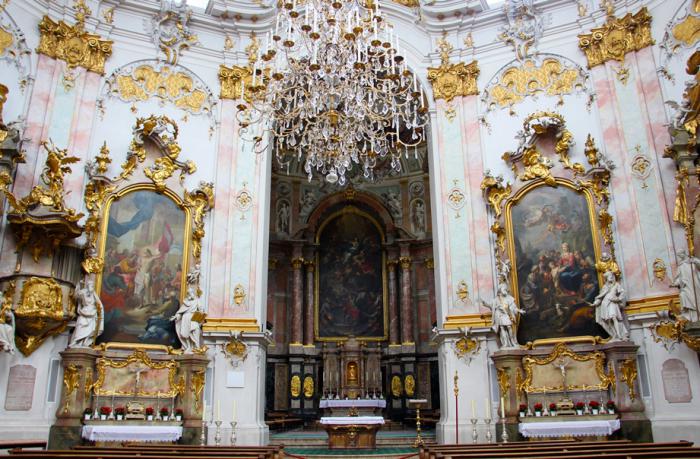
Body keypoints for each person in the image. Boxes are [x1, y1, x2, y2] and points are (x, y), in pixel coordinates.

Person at [482, 282, 524, 349]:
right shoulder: (496, 299)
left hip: (507, 315)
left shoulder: (509, 298)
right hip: (500, 316)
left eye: (506, 289)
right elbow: (492, 306)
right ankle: (505, 343)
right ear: (500, 290)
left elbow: (513, 307)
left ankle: (512, 341)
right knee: (502, 328)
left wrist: (519, 310)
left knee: (509, 327)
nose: (506, 290)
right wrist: (485, 304)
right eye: (504, 289)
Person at [592, 271, 629, 341]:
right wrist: (595, 303)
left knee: (614, 317)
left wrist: (618, 299)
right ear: (606, 278)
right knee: (608, 321)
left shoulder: (616, 285)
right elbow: (600, 297)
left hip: (612, 303)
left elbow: (622, 292)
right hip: (605, 304)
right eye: (609, 276)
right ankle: (614, 334)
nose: (611, 278)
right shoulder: (605, 287)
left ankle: (619, 335)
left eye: (612, 276)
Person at [69, 275, 104, 348]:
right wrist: (79, 285)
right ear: (87, 286)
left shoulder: (94, 294)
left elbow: (99, 304)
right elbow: (75, 296)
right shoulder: (83, 292)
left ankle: (85, 343)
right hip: (84, 312)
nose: (92, 287)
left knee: (89, 330)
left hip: (92, 314)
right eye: (90, 285)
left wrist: (100, 311)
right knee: (80, 325)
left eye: (92, 285)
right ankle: (75, 342)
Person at [171, 285, 202, 353]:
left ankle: (196, 347)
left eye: (191, 293)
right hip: (185, 318)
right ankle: (188, 347)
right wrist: (176, 317)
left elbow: (201, 310)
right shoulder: (185, 303)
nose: (190, 295)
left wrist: (201, 313)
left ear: (193, 293)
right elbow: (180, 312)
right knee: (185, 334)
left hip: (193, 319)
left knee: (195, 331)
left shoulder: (197, 301)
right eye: (188, 293)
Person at [670, 250, 700, 322]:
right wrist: (675, 283)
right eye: (678, 255)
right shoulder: (681, 265)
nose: (679, 256)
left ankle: (697, 315)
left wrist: (695, 261)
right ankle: (690, 316)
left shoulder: (693, 260)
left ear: (684, 253)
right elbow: (679, 277)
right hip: (686, 286)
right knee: (684, 296)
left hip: (694, 283)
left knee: (697, 299)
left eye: (680, 254)